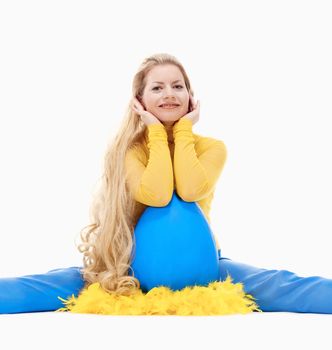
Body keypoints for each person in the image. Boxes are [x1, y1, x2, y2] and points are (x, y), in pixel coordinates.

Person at [1, 52, 332, 314]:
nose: (169, 94)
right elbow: (157, 195)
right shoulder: (130, 151)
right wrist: (156, 133)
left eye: (178, 86)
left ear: (191, 96)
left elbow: (188, 191)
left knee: (282, 286)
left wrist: (182, 131)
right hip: (130, 268)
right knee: (52, 284)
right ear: (139, 101)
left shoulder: (212, 148)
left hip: (202, 265)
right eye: (157, 88)